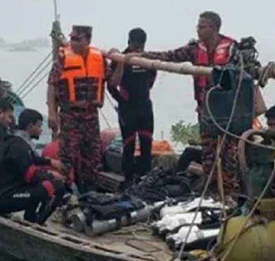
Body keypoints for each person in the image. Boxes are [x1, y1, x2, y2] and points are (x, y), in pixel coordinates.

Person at [136, 11, 242, 197]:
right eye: (198, 26)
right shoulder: (194, 49)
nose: (199, 30)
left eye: (202, 26)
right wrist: (142, 55)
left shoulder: (232, 49)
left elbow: (242, 76)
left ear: (214, 28)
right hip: (205, 112)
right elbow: (170, 56)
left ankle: (230, 194)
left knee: (228, 156)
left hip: (226, 112)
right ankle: (212, 194)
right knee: (208, 155)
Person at [47, 25, 112, 192]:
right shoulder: (63, 58)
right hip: (70, 116)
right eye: (72, 39)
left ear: (88, 40)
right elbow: (52, 86)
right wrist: (52, 113)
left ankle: (88, 192)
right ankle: (65, 192)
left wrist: (118, 63)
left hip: (91, 115)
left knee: (92, 157)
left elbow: (112, 81)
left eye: (78, 39)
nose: (73, 42)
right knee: (67, 156)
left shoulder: (99, 58)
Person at [0, 109, 69, 224]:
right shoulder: (19, 146)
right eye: (39, 126)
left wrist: (51, 162)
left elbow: (32, 158)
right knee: (54, 186)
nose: (41, 130)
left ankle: (31, 216)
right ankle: (38, 223)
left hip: (0, 192)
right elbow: (31, 175)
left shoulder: (14, 139)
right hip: (3, 198)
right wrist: (52, 175)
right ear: (31, 126)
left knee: (42, 183)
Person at [107, 28, 157, 186]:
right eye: (135, 46)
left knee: (146, 143)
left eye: (140, 47)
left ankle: (145, 177)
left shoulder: (148, 60)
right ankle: (128, 178)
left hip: (144, 106)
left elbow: (151, 81)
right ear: (129, 43)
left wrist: (142, 93)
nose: (137, 49)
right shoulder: (119, 58)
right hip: (127, 108)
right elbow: (111, 85)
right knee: (128, 145)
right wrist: (121, 100)